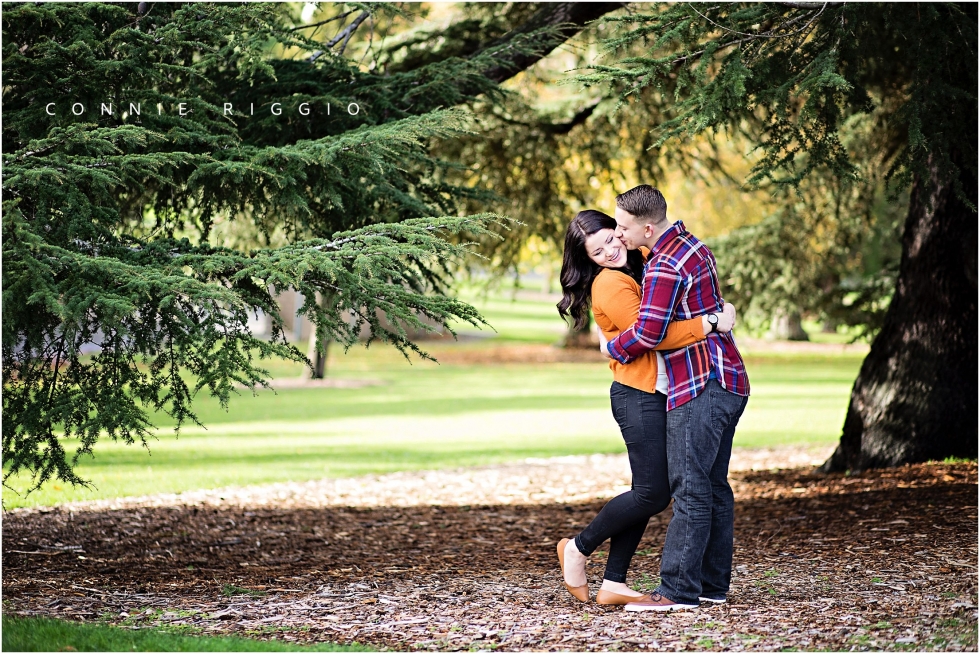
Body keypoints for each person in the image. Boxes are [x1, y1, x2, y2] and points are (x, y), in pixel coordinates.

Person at [556, 209, 736, 607]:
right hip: (638, 395)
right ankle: (579, 548)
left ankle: (614, 582)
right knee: (653, 493)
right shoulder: (612, 284)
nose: (609, 250)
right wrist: (710, 324)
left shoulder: (642, 267)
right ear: (587, 259)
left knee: (649, 490)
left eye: (610, 238)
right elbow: (650, 336)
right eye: (596, 250)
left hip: (657, 392)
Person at [600, 185, 750, 612]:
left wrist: (610, 346)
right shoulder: (691, 245)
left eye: (624, 227)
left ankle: (677, 591)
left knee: (689, 488)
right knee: (714, 486)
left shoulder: (664, 264)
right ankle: (711, 587)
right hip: (730, 380)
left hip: (700, 383)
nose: (618, 234)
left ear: (647, 227)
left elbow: (648, 333)